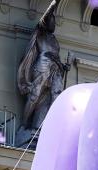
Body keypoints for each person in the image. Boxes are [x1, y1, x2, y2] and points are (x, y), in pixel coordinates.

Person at [17, 0, 72, 145]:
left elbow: (56, 55)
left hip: (56, 68)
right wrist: (54, 4)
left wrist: (63, 66)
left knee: (54, 97)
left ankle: (44, 125)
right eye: (51, 20)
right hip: (43, 65)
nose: (53, 23)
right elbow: (44, 18)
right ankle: (24, 125)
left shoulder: (54, 40)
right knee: (35, 95)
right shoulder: (39, 33)